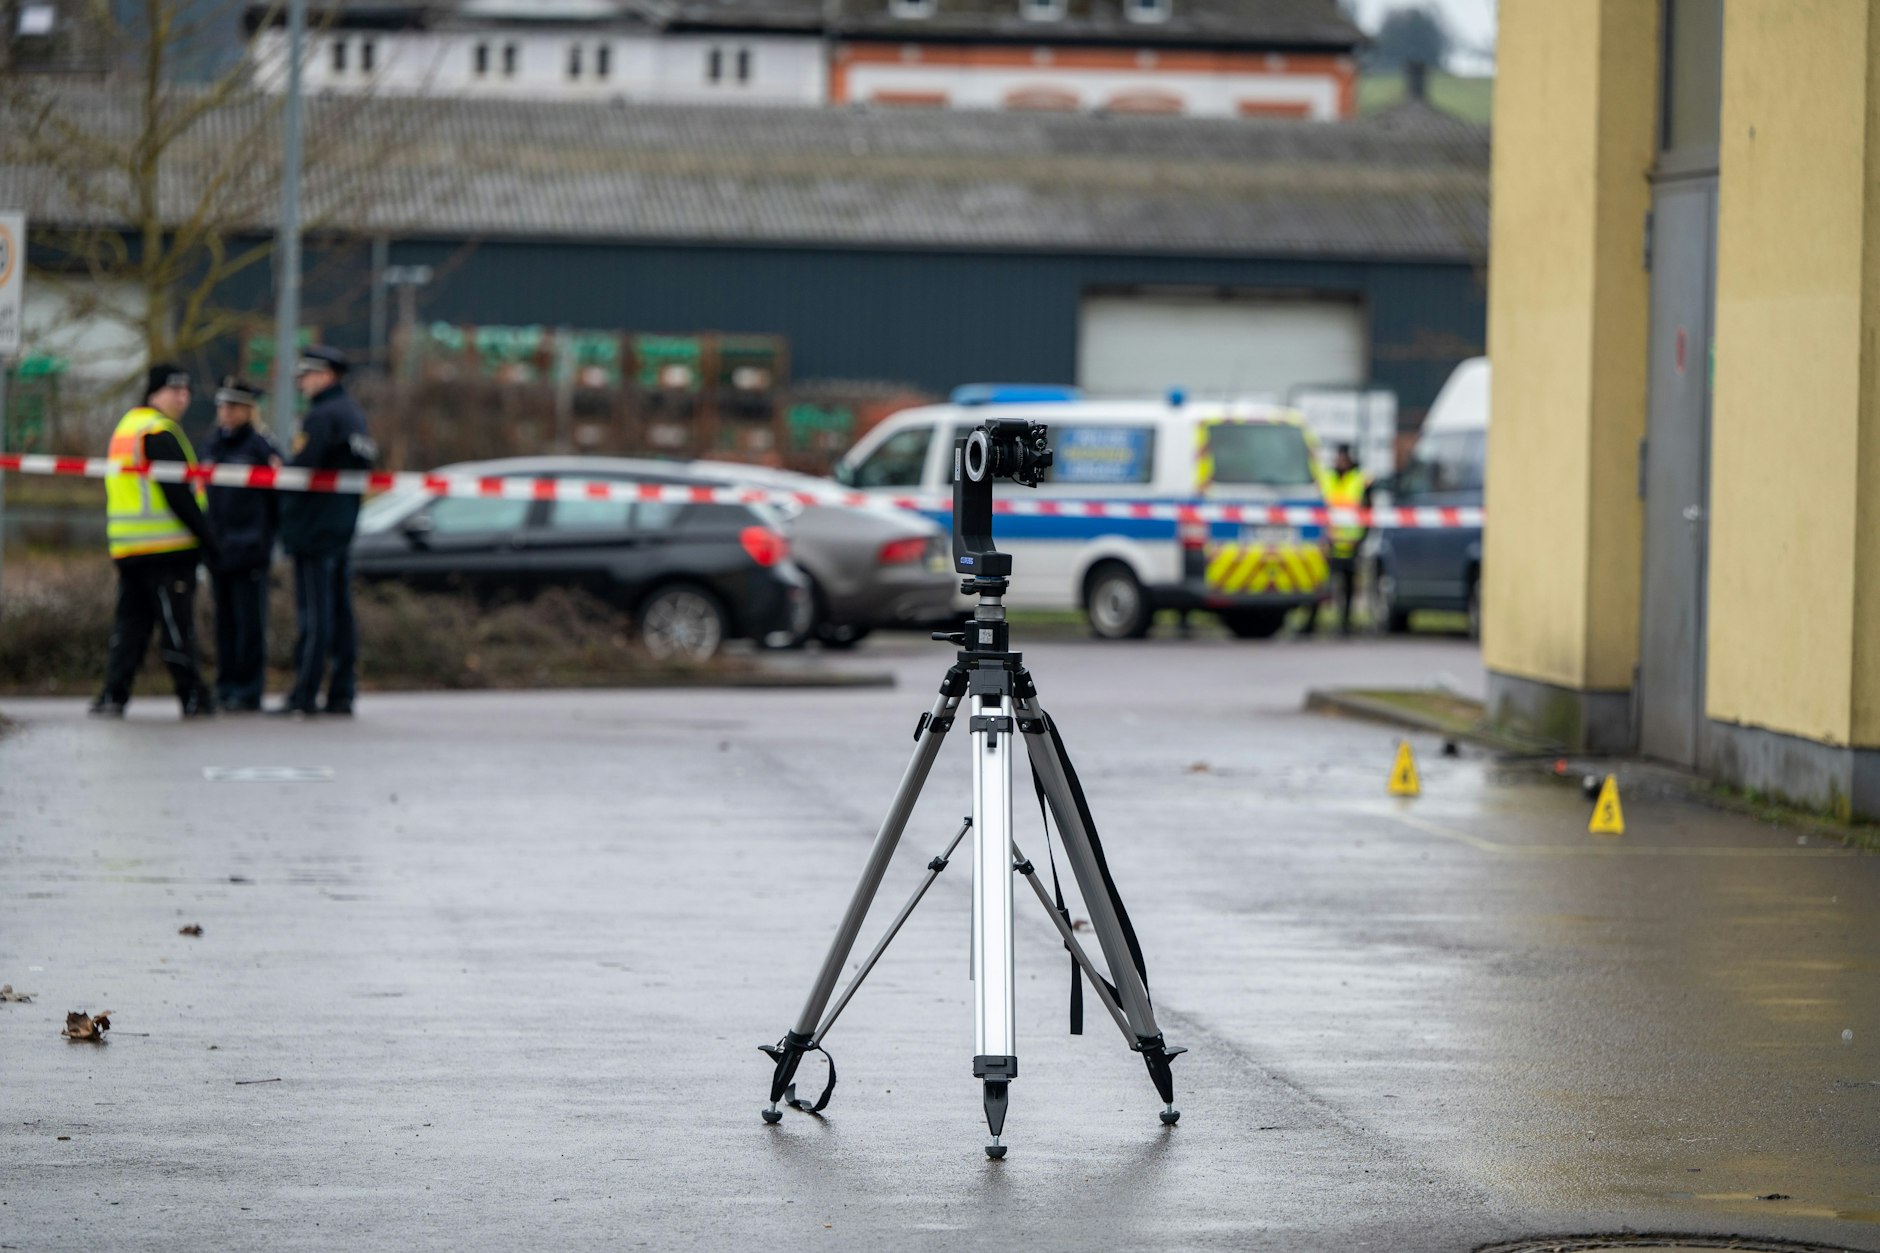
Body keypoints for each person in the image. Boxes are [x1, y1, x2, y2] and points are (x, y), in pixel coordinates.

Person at [91, 364, 219, 718]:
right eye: (173, 390)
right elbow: (179, 496)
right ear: (153, 393)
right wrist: (209, 541)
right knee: (177, 628)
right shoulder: (158, 432)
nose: (182, 397)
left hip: (129, 549)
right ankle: (193, 697)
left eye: (185, 390)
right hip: (167, 549)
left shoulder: (127, 428)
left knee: (130, 628)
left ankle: (113, 696)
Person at [274, 346, 375, 718]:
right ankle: (341, 692)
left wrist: (279, 468)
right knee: (340, 614)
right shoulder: (353, 415)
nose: (302, 383)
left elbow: (302, 469)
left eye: (307, 376)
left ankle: (305, 694)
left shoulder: (322, 416)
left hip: (315, 528)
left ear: (325, 376)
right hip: (340, 526)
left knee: (315, 615)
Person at [204, 377, 282, 712]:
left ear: (248, 410)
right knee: (224, 624)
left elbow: (278, 500)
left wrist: (266, 540)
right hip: (219, 548)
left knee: (250, 625)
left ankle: (248, 690)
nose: (226, 413)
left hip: (250, 549)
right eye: (222, 406)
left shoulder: (262, 448)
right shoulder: (212, 445)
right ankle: (225, 686)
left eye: (233, 406)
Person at [1307, 443, 1372, 637]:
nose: (1341, 461)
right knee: (1320, 585)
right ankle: (1311, 623)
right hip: (1329, 543)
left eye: (1344, 458)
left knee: (1348, 589)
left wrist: (1361, 540)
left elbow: (1369, 513)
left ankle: (1345, 625)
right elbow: (1318, 509)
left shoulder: (1360, 480)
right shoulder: (1327, 478)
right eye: (1339, 457)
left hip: (1351, 544)